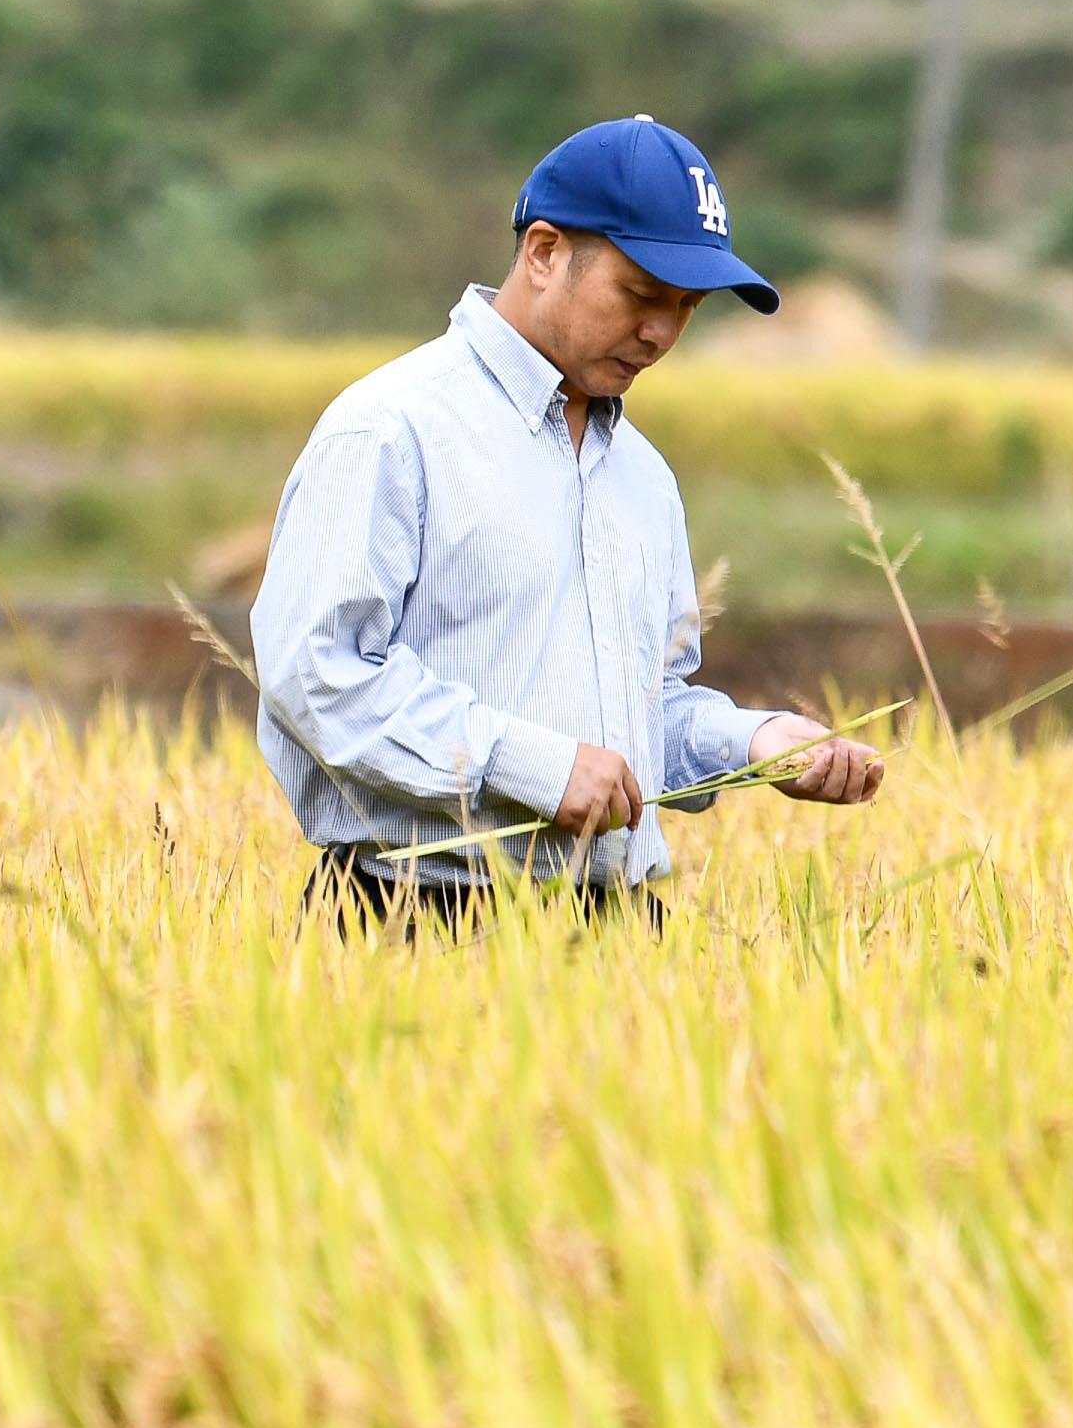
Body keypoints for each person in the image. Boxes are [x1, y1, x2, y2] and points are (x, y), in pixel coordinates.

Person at [251, 114, 886, 922]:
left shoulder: (643, 477)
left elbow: (639, 714)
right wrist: (531, 767)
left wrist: (755, 744)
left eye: (687, 306)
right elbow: (318, 675)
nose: (661, 333)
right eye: (641, 296)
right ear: (545, 253)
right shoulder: (391, 428)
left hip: (619, 923)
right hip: (415, 914)